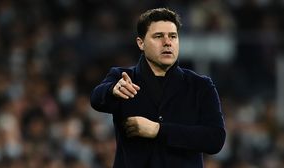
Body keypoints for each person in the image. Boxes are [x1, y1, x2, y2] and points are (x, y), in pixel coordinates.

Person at [90, 8, 226, 168]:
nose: (168, 42)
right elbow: (96, 99)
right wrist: (112, 89)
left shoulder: (200, 85)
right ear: (141, 43)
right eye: (158, 36)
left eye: (173, 36)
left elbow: (215, 139)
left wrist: (158, 130)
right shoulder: (123, 78)